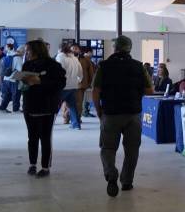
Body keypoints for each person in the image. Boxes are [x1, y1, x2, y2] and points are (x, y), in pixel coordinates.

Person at [93, 36, 153, 197]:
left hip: (111, 114)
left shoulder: (104, 66)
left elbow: (96, 91)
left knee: (107, 148)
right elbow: (149, 90)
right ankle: (127, 182)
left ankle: (111, 174)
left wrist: (99, 111)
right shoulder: (138, 67)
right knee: (132, 150)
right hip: (133, 114)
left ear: (115, 48)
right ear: (129, 48)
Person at [20, 40, 66, 177]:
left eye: (28, 50)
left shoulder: (53, 65)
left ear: (36, 50)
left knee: (45, 138)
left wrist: (41, 81)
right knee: (31, 137)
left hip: (46, 106)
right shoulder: (27, 64)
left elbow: (60, 83)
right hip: (30, 105)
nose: (26, 53)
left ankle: (45, 167)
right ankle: (32, 164)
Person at [56, 43, 83, 129]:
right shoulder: (75, 58)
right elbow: (80, 73)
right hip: (73, 86)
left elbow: (58, 72)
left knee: (55, 106)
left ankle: (49, 123)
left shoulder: (60, 57)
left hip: (63, 86)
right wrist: (77, 81)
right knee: (73, 106)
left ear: (60, 49)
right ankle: (76, 125)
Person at [0, 44, 18, 113]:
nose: (5, 49)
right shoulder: (16, 56)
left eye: (6, 47)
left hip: (6, 77)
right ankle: (15, 109)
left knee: (7, 94)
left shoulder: (6, 56)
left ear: (9, 47)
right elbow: (19, 68)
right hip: (13, 78)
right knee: (15, 94)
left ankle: (2, 107)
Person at [79, 49, 97, 116]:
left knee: (85, 97)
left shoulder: (84, 59)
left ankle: (85, 111)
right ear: (88, 52)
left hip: (84, 82)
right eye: (91, 52)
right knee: (85, 97)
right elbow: (91, 72)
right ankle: (85, 111)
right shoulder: (86, 59)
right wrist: (91, 82)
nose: (92, 54)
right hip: (85, 82)